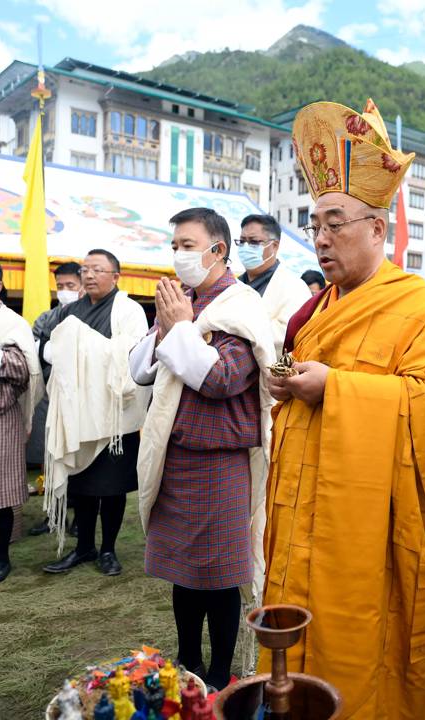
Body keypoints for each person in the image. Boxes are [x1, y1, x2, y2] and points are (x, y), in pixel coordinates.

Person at [263, 99, 425, 720]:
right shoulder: (321, 308)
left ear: (378, 229)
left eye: (337, 223)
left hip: (372, 534)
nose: (320, 238)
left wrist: (336, 389)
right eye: (315, 223)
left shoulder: (415, 307)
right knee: (296, 646)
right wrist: (293, 391)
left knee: (361, 653)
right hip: (304, 513)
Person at [130, 207, 275, 691]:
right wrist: (172, 324)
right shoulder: (187, 301)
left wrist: (181, 327)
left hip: (221, 461)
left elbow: (222, 378)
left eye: (187, 246)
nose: (178, 255)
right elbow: (140, 368)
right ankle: (187, 656)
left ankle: (218, 670)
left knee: (218, 575)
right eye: (174, 245)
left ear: (219, 250)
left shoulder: (239, 304)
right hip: (178, 457)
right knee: (183, 573)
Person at [40, 249, 150, 576]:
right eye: (85, 269)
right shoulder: (68, 311)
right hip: (77, 413)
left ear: (115, 277)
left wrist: (83, 345)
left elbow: (133, 354)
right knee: (82, 487)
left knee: (112, 489)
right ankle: (83, 546)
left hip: (115, 417)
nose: (88, 275)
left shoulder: (128, 310)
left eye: (97, 270)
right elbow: (51, 349)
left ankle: (108, 550)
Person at [28, 261, 83, 537]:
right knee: (53, 460)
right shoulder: (46, 318)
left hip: (82, 402)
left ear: (83, 284)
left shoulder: (90, 315)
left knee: (81, 463)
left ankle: (79, 520)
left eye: (70, 286)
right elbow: (35, 351)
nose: (64, 291)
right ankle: (54, 515)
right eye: (60, 286)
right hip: (52, 398)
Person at [0, 264, 44, 581]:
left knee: (0, 496)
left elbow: (21, 371)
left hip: (1, 418)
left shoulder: (10, 323)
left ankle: (1, 557)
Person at [236, 214, 311, 356]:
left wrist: (236, 328)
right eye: (241, 241)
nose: (245, 247)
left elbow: (287, 336)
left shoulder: (294, 287)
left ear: (274, 246)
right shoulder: (234, 284)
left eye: (254, 242)